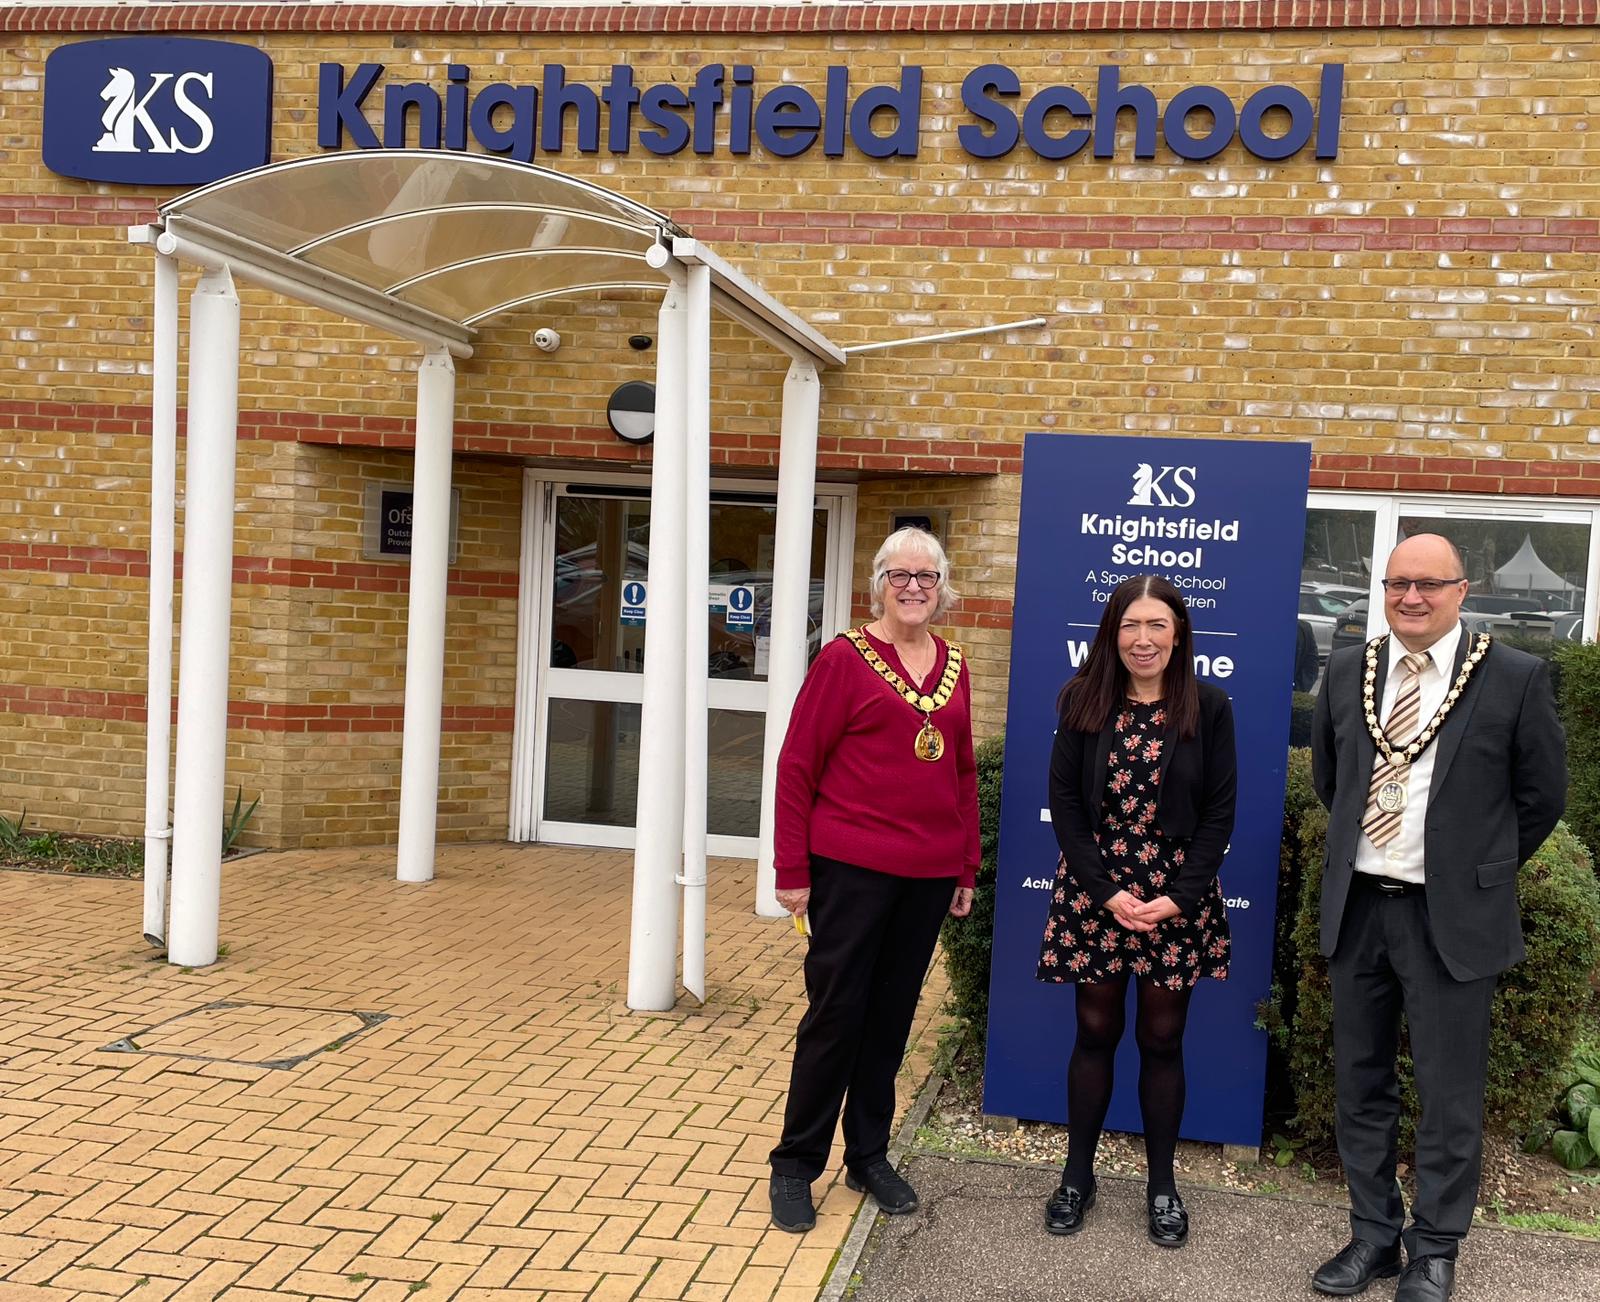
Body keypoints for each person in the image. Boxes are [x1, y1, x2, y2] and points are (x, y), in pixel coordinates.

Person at [1310, 533, 1565, 1302]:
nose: (1411, 598)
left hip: (1451, 919)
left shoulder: (1513, 677)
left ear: (1462, 591)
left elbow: (1541, 797)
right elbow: (1331, 778)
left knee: (1449, 1096)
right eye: (1397, 584)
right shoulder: (1349, 669)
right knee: (1361, 1084)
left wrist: (1473, 870)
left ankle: (1436, 1249)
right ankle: (1373, 1236)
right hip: (1360, 909)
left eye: (1428, 584)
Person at [767, 526, 979, 1233]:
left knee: (890, 1021)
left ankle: (868, 1155)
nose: (913, 588)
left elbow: (962, 771)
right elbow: (797, 765)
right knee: (835, 1017)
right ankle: (796, 1164)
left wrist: (966, 864)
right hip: (850, 872)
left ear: (941, 588)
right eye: (900, 576)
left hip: (927, 874)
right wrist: (791, 869)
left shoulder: (955, 664)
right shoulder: (843, 659)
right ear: (880, 584)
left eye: (927, 577)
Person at [1037, 575, 1237, 1248]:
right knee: (1094, 1033)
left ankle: (1162, 1187)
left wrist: (1178, 898)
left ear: (1178, 634)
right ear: (1111, 633)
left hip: (1174, 898)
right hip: (1097, 893)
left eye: (1156, 625)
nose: (1142, 639)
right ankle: (1076, 1178)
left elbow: (1219, 813)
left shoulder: (1209, 707)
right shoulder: (1083, 701)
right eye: (1130, 625)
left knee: (1162, 1040)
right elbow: (1065, 805)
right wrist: (1104, 891)